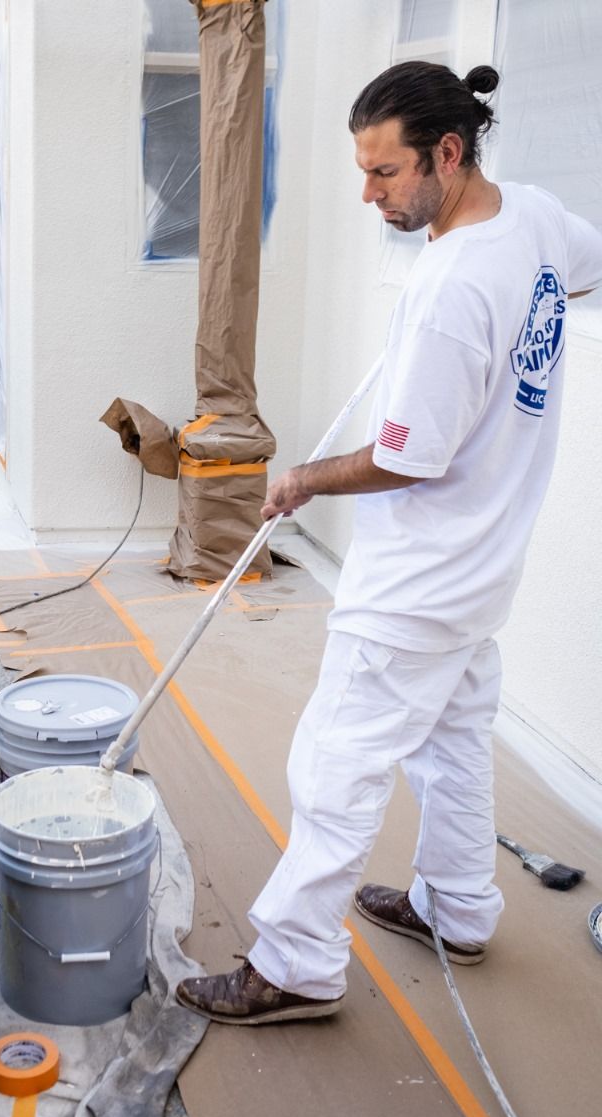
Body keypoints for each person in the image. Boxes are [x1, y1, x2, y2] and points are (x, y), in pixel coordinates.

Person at [176, 61, 602, 1024]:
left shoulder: (452, 288)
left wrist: (300, 482)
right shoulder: (531, 220)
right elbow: (585, 265)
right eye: (363, 172)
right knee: (451, 747)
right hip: (483, 574)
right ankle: (459, 909)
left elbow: (411, 458)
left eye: (385, 174)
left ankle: (294, 965)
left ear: (447, 155)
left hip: (417, 582)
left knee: (335, 762)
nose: (369, 196)